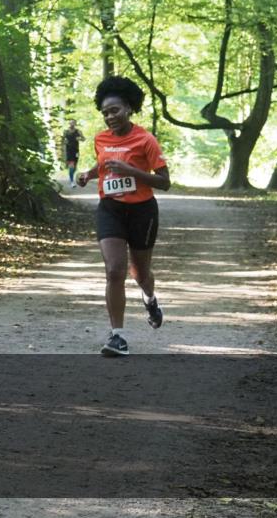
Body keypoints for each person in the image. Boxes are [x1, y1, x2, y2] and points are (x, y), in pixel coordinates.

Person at [76, 76, 169, 357]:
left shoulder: (145, 139)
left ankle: (150, 299)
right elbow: (104, 164)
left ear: (128, 108)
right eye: (105, 113)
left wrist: (132, 172)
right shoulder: (101, 139)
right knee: (114, 270)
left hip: (142, 211)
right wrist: (88, 175)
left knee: (140, 273)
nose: (109, 117)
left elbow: (164, 182)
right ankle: (117, 336)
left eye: (114, 110)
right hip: (110, 210)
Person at [62, 120, 85, 188]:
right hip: (69, 150)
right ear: (69, 123)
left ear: (75, 124)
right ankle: (72, 181)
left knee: (75, 166)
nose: (72, 124)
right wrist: (64, 143)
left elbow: (83, 139)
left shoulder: (78, 131)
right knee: (71, 166)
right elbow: (62, 141)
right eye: (70, 122)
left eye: (73, 123)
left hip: (76, 150)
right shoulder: (66, 131)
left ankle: (71, 177)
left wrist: (79, 138)